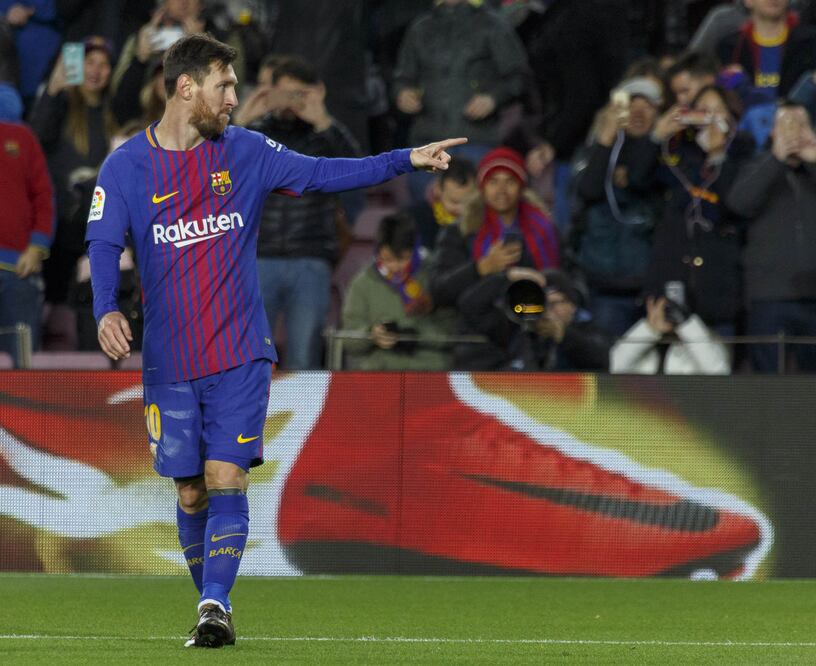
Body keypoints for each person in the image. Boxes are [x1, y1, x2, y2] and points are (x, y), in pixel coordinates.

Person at [85, 33, 464, 648]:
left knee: (225, 473)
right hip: (170, 358)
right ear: (187, 88)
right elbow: (103, 242)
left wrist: (404, 158)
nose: (235, 98)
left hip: (240, 352)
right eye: (224, 85)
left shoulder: (248, 151)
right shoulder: (125, 166)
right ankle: (207, 598)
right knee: (188, 487)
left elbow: (322, 174)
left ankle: (215, 604)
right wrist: (105, 309)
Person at [247, 56, 362, 370]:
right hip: (259, 256)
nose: (290, 102)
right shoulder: (253, 134)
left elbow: (356, 175)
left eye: (299, 93)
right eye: (284, 93)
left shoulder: (326, 136)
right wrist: (241, 122)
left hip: (311, 258)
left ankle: (299, 421)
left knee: (304, 357)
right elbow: (213, 172)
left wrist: (323, 121)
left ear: (316, 92)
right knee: (250, 356)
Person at [646, 85, 754, 337]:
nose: (709, 118)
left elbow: (731, 207)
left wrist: (717, 155)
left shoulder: (744, 159)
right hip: (673, 284)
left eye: (717, 111)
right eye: (703, 111)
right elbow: (639, 181)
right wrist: (656, 137)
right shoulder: (678, 157)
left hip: (719, 291)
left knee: (717, 372)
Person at [393, 0, 529, 201]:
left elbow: (519, 77)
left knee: (476, 217)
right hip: (428, 141)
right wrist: (402, 93)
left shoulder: (492, 24)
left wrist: (493, 98)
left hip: (476, 140)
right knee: (426, 216)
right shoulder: (421, 27)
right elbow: (402, 77)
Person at [28, 36, 118, 306]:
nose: (96, 70)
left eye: (104, 65)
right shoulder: (61, 105)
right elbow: (35, 139)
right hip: (61, 226)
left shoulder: (114, 113)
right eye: (89, 62)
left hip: (98, 226)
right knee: (56, 304)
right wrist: (53, 90)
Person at [726, 101, 816, 372]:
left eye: (801, 124)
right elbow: (738, 202)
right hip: (769, 295)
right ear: (772, 132)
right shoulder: (756, 165)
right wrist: (775, 157)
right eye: (787, 124)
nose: (795, 132)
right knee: (769, 384)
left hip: (814, 295)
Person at [572, 77, 663, 337]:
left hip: (649, 284)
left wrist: (654, 143)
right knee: (608, 369)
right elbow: (587, 190)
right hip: (605, 284)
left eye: (648, 106)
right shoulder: (596, 149)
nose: (638, 112)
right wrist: (605, 141)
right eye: (632, 104)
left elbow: (643, 184)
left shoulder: (664, 153)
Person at [431, 146, 560, 310]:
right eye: (493, 181)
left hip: (535, 316)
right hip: (477, 325)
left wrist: (566, 297)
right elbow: (439, 291)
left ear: (521, 187)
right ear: (482, 187)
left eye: (510, 181)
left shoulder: (544, 227)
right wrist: (481, 268)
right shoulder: (460, 231)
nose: (501, 190)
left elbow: (569, 276)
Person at [341, 213, 456, 370]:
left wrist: (417, 336)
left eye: (402, 259)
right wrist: (372, 335)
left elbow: (454, 332)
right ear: (378, 252)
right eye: (387, 259)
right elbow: (348, 339)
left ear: (415, 250)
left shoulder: (436, 276)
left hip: (430, 373)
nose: (395, 266)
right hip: (379, 374)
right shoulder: (363, 283)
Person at [457, 267, 612, 371]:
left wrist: (563, 335)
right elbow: (469, 306)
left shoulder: (588, 328)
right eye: (541, 303)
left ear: (571, 305)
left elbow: (602, 361)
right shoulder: (516, 328)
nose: (546, 310)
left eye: (554, 303)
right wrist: (504, 277)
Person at [715, 0, 816, 148]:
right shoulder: (729, 48)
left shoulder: (810, 42)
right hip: (747, 144)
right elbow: (723, 95)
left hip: (805, 136)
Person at [0, 120, 54, 366]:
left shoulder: (20, 136)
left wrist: (36, 247)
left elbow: (44, 197)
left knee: (22, 367)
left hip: (19, 271)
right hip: (18, 271)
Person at [610, 293, 731, 375]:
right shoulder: (642, 345)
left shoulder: (704, 341)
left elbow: (719, 374)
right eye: (661, 307)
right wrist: (648, 329)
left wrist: (686, 325)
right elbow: (612, 367)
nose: (667, 313)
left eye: (672, 308)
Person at [402, 158, 477, 250]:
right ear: (438, 189)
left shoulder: (480, 221)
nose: (460, 208)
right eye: (454, 202)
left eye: (467, 202)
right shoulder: (414, 219)